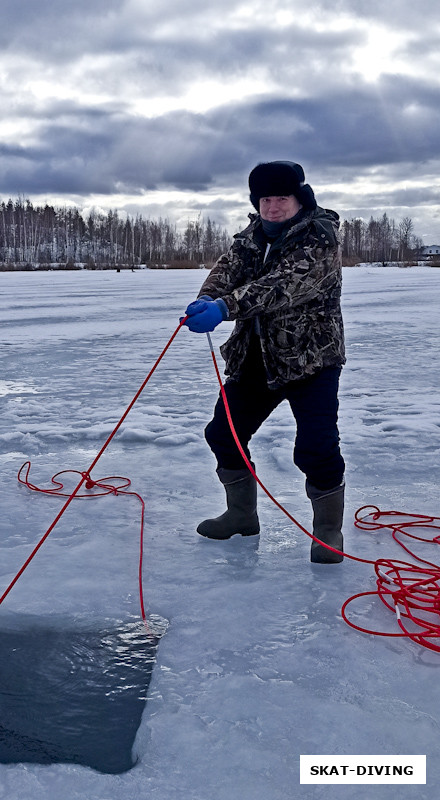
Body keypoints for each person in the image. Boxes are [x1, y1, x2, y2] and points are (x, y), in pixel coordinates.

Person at [182, 161, 345, 563]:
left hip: (311, 360)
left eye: (281, 198)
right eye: (265, 199)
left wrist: (225, 307)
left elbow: (284, 286)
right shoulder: (252, 237)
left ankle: (328, 530)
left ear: (299, 199)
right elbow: (228, 270)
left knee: (315, 448)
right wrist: (208, 297)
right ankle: (242, 516)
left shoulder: (320, 238)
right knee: (224, 434)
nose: (273, 207)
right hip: (256, 357)